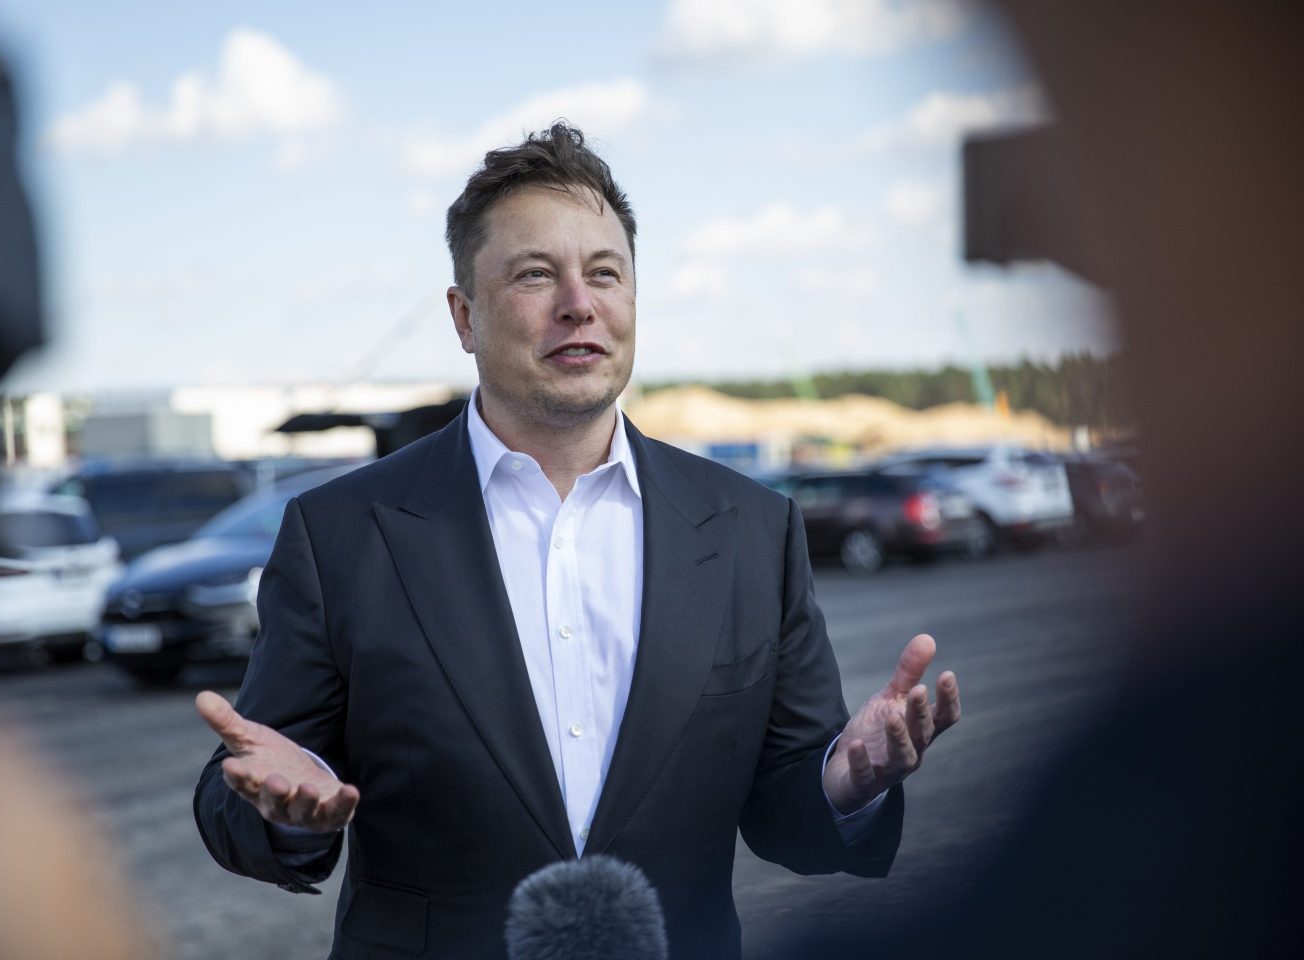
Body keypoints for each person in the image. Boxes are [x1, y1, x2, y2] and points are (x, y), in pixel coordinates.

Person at [193, 123, 959, 960]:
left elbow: (787, 804)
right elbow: (247, 789)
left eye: (604, 272)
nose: (578, 303)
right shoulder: (340, 533)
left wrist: (846, 781)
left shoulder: (752, 528)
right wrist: (283, 813)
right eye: (534, 274)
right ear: (464, 316)